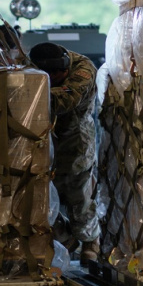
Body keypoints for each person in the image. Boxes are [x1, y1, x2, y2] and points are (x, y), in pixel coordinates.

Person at [29, 42, 101, 262]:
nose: (60, 77)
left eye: (60, 76)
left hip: (74, 140)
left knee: (78, 194)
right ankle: (66, 238)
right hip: (41, 137)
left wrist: (30, 89)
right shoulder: (30, 65)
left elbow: (66, 99)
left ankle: (90, 241)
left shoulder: (83, 69)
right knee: (42, 196)